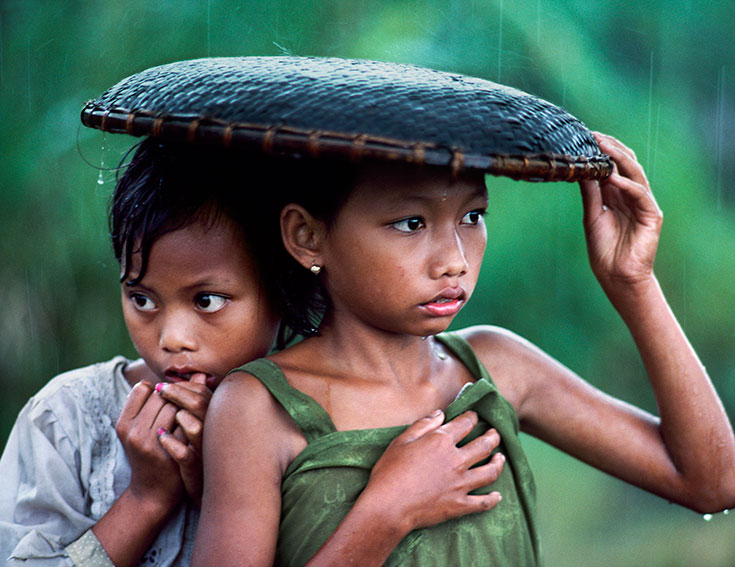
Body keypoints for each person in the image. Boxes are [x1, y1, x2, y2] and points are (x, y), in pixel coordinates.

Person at [191, 132, 735, 566]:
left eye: (472, 217)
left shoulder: (497, 367)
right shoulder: (256, 409)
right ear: (307, 236)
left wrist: (634, 283)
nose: (454, 259)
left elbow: (712, 483)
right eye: (410, 223)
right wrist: (387, 512)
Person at [0, 138, 505, 567]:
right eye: (141, 298)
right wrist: (146, 498)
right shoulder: (66, 419)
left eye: (208, 301)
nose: (172, 337)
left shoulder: (313, 417)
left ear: (283, 288)